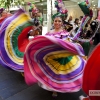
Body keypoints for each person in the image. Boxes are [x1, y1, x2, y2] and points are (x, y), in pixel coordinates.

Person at [24, 14, 86, 99]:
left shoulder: (66, 33)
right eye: (56, 21)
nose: (57, 22)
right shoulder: (49, 33)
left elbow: (69, 44)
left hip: (63, 58)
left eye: (59, 21)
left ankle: (61, 87)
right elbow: (43, 43)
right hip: (52, 58)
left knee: (61, 75)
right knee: (53, 75)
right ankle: (54, 89)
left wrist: (76, 47)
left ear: (62, 23)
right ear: (53, 22)